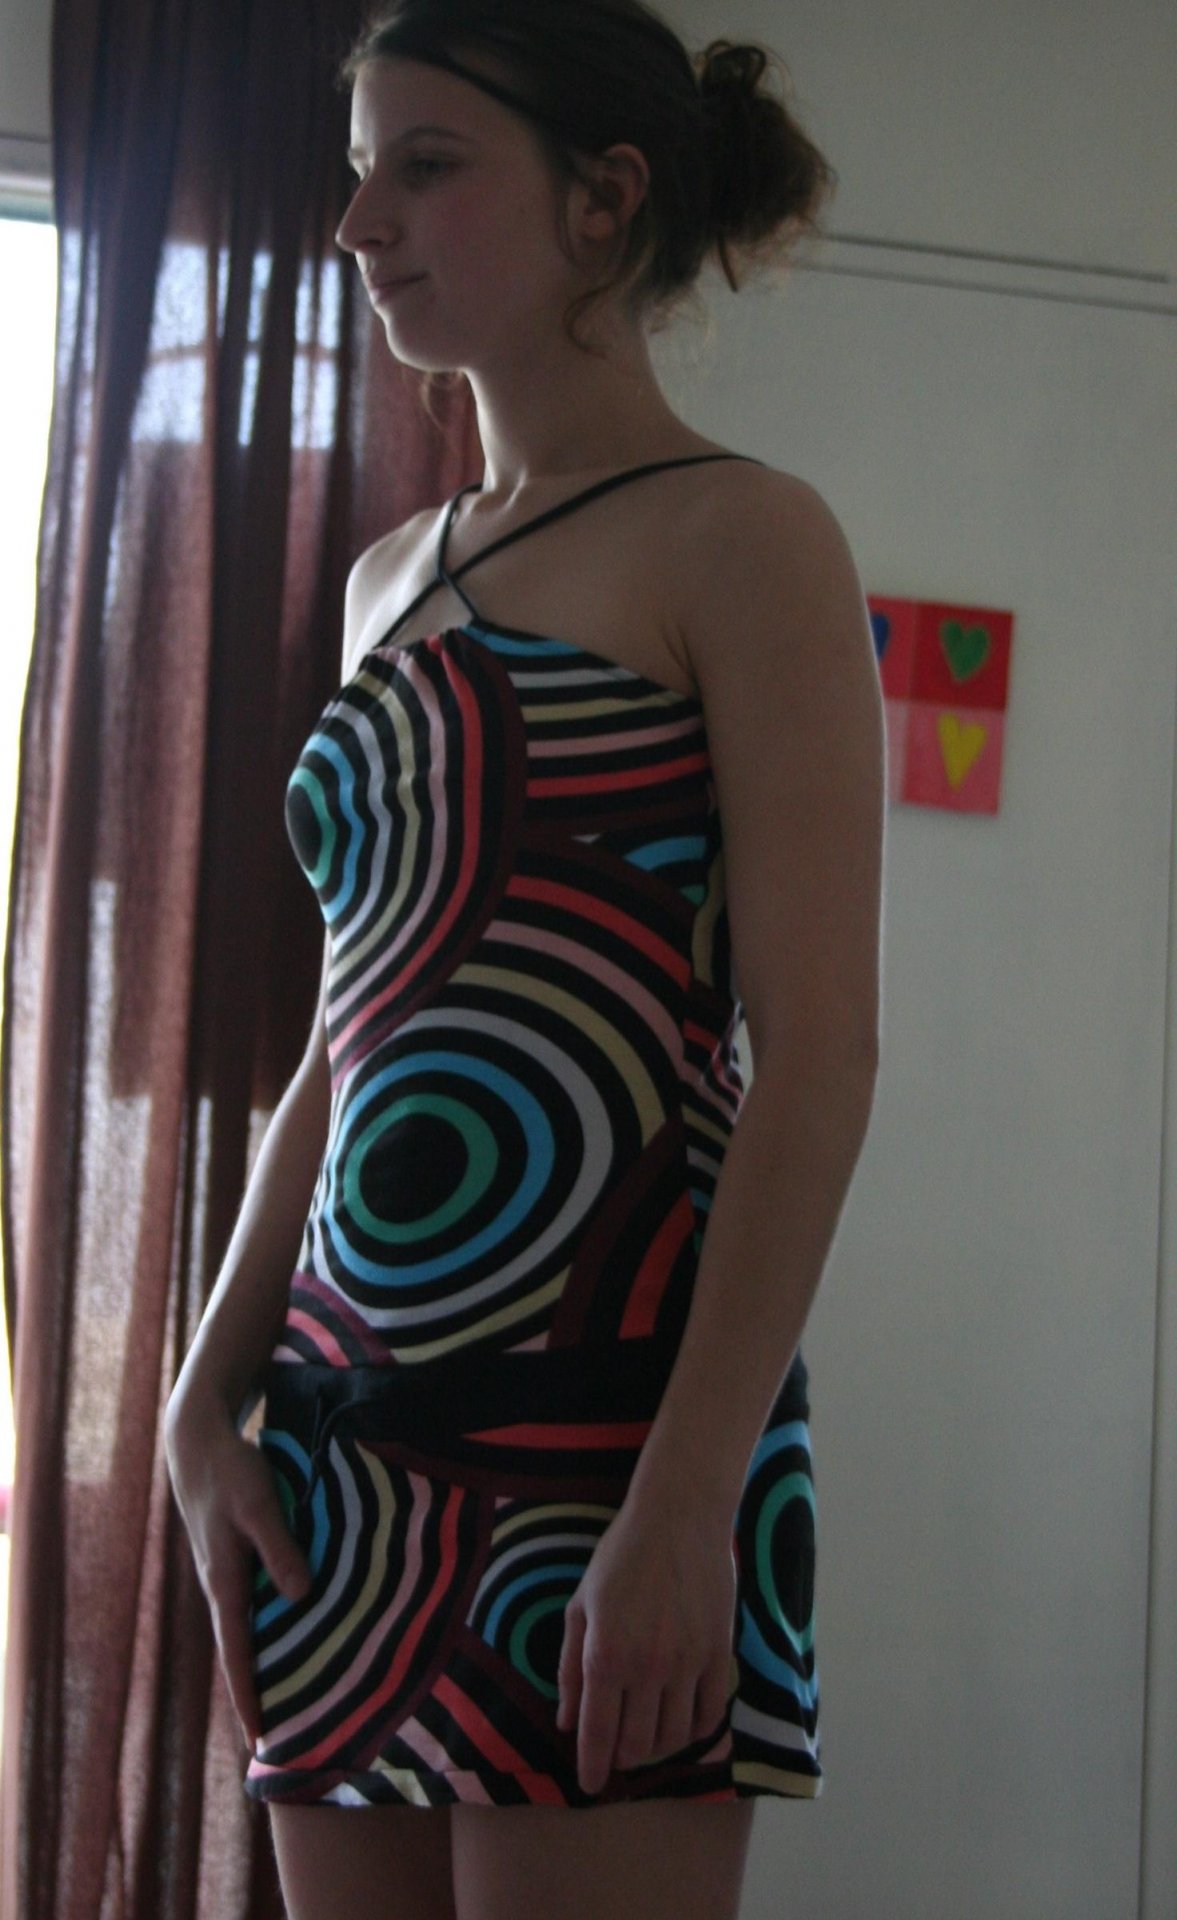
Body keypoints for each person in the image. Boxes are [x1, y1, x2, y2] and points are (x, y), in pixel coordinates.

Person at [165, 1, 885, 1915]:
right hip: (337, 1448)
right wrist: (200, 1397)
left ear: (603, 199)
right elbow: (343, 1043)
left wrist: (686, 1498)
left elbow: (818, 1052)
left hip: (614, 1432)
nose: (358, 221)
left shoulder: (744, 536)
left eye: (426, 166)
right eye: (358, 171)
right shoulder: (382, 579)